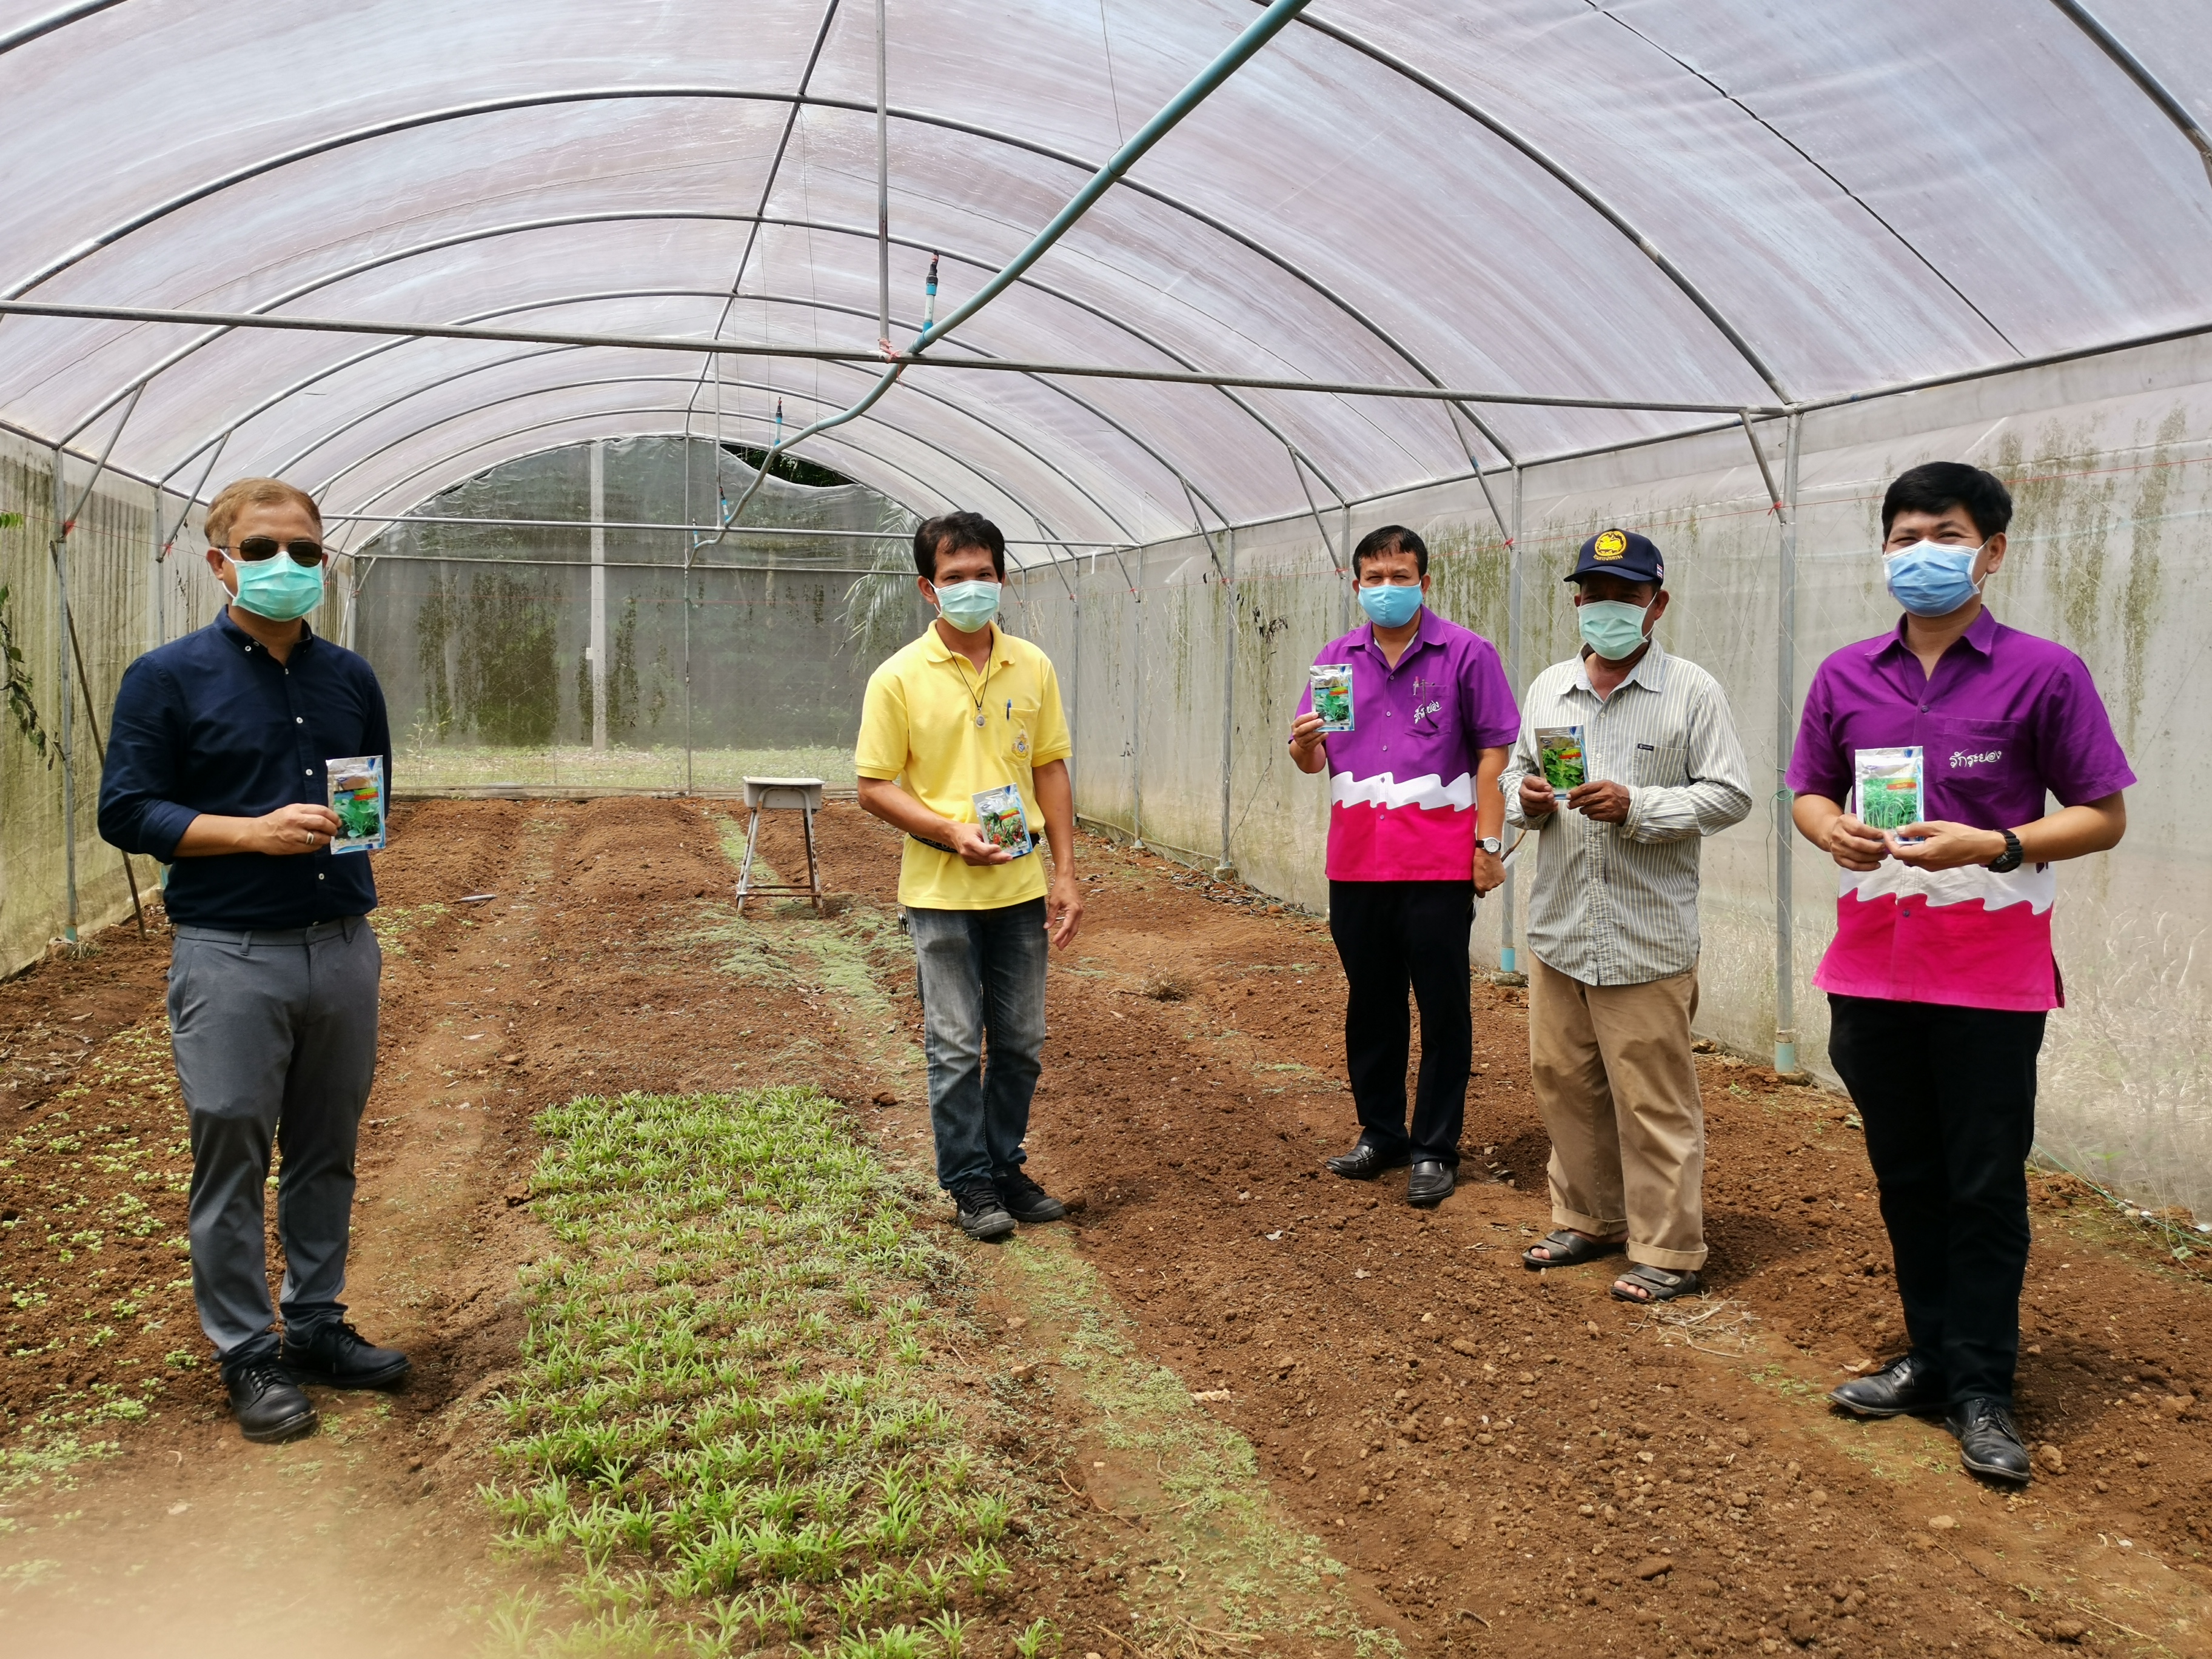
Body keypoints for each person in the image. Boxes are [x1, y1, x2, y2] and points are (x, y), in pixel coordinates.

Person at [1788, 463, 2131, 1485]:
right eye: (1899, 537)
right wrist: (1833, 833)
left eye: (1941, 534)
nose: (1916, 553)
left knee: (1982, 1186)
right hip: (1871, 970)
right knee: (1906, 1179)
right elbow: (1805, 789)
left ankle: (1983, 1386)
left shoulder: (2043, 672)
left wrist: (1998, 845)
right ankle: (1929, 1359)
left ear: (1989, 551)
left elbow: (2101, 814)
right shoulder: (1845, 674)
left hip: (1987, 979)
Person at [98, 478, 406, 1446]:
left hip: (341, 947)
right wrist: (250, 833)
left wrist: (354, 827)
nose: (289, 567)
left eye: (307, 553)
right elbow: (127, 811)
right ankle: (247, 1352)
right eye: (265, 548)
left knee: (326, 1147)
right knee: (230, 1149)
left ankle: (315, 1324)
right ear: (220, 561)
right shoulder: (168, 677)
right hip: (229, 953)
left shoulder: (349, 678)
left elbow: (372, 795)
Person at [1501, 529, 1752, 1301]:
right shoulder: (1549, 689)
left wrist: (1638, 805)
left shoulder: (1692, 692)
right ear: (1577, 601)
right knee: (1565, 1081)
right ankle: (1588, 1217)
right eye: (1594, 593)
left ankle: (1668, 1248)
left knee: (1651, 1095)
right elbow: (1515, 774)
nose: (1606, 607)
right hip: (1561, 929)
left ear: (1656, 604)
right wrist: (1527, 800)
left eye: (1625, 594)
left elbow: (1730, 794)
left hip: (1646, 937)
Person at [855, 511, 1084, 1241]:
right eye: (955, 579)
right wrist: (950, 830)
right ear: (929, 588)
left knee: (1020, 1041)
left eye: (984, 575)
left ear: (1003, 578)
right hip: (939, 894)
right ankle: (969, 1184)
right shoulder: (897, 678)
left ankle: (1004, 1165)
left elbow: (1049, 765)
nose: (973, 588)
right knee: (954, 1045)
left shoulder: (1032, 666)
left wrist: (1066, 872)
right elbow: (873, 784)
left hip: (1018, 891)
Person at [1288, 525, 1518, 1208]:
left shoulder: (1465, 655)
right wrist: (1302, 744)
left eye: (1401, 576)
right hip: (1357, 863)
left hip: (1437, 864)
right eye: (1374, 579)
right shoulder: (1337, 659)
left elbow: (1493, 756)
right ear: (1355, 584)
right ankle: (1381, 1132)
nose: (1387, 589)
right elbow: (1315, 760)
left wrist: (1487, 846)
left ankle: (1435, 1148)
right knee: (1372, 1002)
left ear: (1425, 581)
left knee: (1444, 1008)